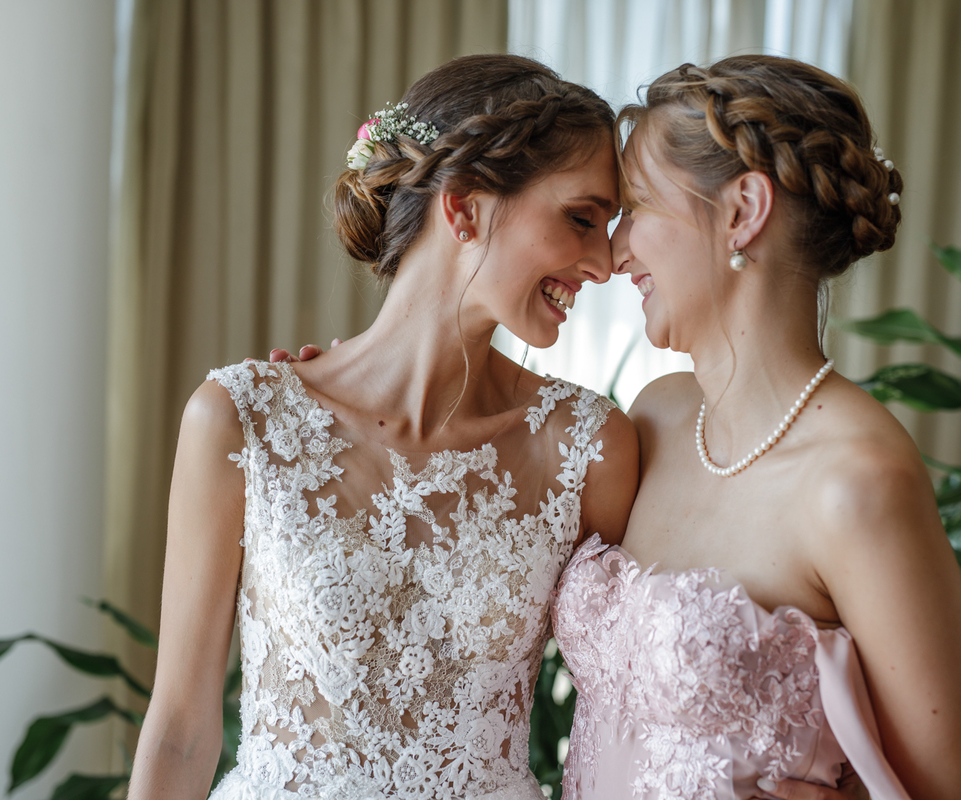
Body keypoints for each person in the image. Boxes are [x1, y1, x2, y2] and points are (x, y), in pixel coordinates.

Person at [127, 54, 639, 800]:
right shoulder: (243, 421)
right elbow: (181, 727)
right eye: (581, 218)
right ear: (462, 206)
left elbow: (641, 696)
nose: (603, 263)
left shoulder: (589, 448)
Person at [549, 56, 961, 800]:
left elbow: (948, 790)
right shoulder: (654, 417)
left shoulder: (857, 484)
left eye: (640, 207)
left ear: (744, 210)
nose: (615, 252)